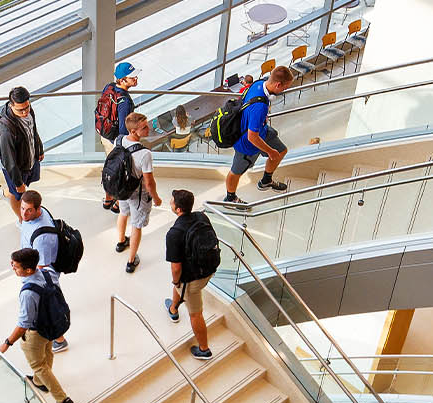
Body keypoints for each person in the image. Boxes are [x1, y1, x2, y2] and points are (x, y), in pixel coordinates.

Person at [0, 248, 75, 403]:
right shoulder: (47, 272)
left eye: (16, 266)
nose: (12, 267)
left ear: (28, 270)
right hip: (51, 325)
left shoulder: (28, 294)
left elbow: (24, 324)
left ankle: (62, 399)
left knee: (39, 366)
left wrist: (7, 343)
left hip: (36, 333)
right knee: (47, 353)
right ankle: (40, 382)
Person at [223, 66, 298, 206]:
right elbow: (252, 137)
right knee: (236, 171)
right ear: (278, 85)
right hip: (247, 144)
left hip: (262, 131)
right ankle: (230, 198)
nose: (284, 90)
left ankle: (266, 181)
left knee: (281, 150)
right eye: (285, 88)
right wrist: (270, 151)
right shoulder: (260, 107)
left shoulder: (259, 84)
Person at [163, 190, 217, 360]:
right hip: (209, 268)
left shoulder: (174, 233)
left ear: (178, 209)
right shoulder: (202, 217)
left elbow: (176, 268)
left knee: (195, 313)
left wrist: (176, 281)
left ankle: (204, 349)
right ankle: (173, 308)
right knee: (179, 286)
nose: (170, 202)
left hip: (192, 279)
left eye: (171, 202)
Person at [16, 191, 68, 352]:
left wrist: (30, 284)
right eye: (22, 208)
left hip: (45, 277)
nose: (24, 213)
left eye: (28, 210)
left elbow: (42, 267)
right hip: (35, 269)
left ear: (38, 209)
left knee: (49, 307)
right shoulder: (36, 215)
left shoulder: (42, 238)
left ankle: (59, 340)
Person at [113, 112, 162, 273]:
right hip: (137, 193)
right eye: (144, 127)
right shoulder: (145, 154)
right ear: (134, 131)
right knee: (136, 225)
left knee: (123, 213)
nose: (148, 129)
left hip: (121, 188)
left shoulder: (118, 140)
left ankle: (121, 242)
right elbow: (149, 182)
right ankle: (131, 261)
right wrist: (156, 198)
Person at [0, 86, 46, 219]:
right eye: (20, 110)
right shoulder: (6, 130)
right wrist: (18, 183)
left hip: (28, 159)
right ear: (11, 106)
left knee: (22, 187)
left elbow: (33, 131)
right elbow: (9, 161)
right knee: (17, 196)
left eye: (27, 107)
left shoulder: (29, 111)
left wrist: (39, 148)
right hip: (16, 168)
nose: (25, 112)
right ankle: (21, 220)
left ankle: (6, 192)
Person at [100, 62, 140, 213]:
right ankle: (118, 205)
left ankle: (108, 199)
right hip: (117, 141)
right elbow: (124, 129)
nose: (135, 78)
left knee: (109, 168)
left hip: (105, 134)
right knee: (121, 172)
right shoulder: (124, 101)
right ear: (122, 80)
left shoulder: (109, 87)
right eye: (132, 77)